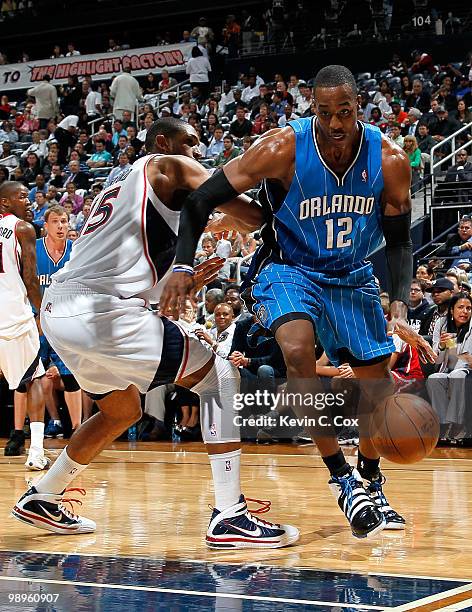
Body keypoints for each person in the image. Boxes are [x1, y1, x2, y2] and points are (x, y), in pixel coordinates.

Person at [161, 65, 436, 539]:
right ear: (313, 109)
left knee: (375, 383)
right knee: (296, 349)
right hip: (287, 266)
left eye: (344, 112)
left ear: (359, 108)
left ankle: (371, 479)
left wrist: (398, 309)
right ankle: (342, 479)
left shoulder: (389, 161)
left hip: (350, 274)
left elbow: (398, 243)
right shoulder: (281, 147)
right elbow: (200, 199)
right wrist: (183, 265)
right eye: (325, 113)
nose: (334, 123)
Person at [12, 118, 299, 549]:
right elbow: (251, 214)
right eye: (192, 142)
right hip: (99, 313)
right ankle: (230, 516)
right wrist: (272, 177)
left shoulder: (126, 184)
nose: (198, 152)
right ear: (164, 142)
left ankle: (44, 496)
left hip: (64, 311)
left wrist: (185, 277)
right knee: (220, 377)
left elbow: (134, 269)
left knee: (121, 409)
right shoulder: (169, 164)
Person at [0, 181, 49, 470]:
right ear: (5, 203)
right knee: (35, 380)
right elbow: (30, 277)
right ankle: (37, 452)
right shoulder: (22, 229)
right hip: (14, 315)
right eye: (21, 197)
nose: (28, 201)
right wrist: (42, 312)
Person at [35, 206, 82, 439]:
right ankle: (35, 429)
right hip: (37, 323)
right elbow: (26, 284)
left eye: (64, 221)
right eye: (55, 221)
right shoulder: (33, 249)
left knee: (72, 377)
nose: (61, 226)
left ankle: (76, 428)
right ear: (46, 225)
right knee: (31, 378)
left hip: (66, 321)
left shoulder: (76, 251)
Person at [427, 293, 472, 441]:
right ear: (452, 310)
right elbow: (436, 360)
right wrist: (440, 345)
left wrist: (458, 351)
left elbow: (468, 360)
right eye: (460, 307)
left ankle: (457, 424)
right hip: (446, 369)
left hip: (467, 370)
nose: (465, 311)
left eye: (469, 308)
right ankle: (443, 424)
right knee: (434, 379)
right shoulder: (441, 324)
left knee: (457, 376)